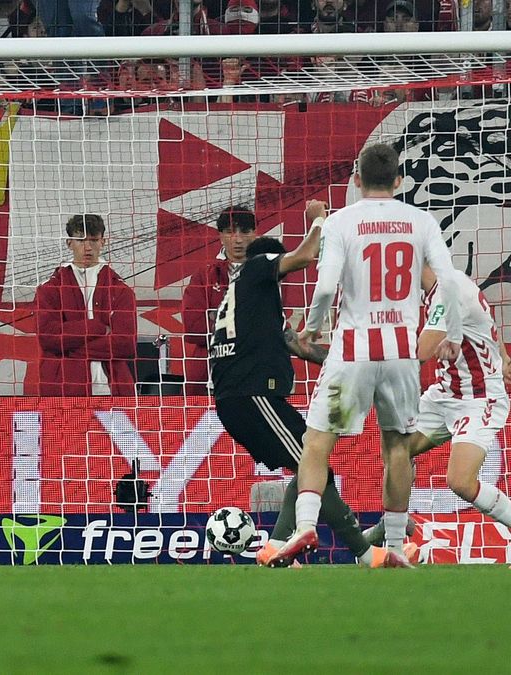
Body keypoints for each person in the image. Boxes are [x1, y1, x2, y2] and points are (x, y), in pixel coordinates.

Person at [270, 143, 464, 567]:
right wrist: (448, 330)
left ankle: (305, 525)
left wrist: (312, 328)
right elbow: (449, 283)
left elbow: (324, 287)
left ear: (355, 180)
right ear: (398, 180)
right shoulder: (421, 220)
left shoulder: (342, 221)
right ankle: (394, 546)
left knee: (318, 442)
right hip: (401, 353)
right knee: (396, 446)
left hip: (353, 351)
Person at [210, 203, 402, 568]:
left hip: (243, 398)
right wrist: (318, 218)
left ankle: (279, 549)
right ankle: (363, 552)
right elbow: (305, 255)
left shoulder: (252, 301)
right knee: (313, 465)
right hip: (252, 396)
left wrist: (361, 359)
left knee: (308, 469)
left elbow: (297, 345)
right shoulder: (254, 270)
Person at [365, 266, 511, 546]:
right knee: (396, 450)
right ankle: (395, 534)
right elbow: (484, 324)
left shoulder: (448, 292)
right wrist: (502, 354)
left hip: (479, 399)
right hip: (445, 393)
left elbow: (419, 353)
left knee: (460, 482)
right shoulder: (444, 284)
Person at [36, 214, 137, 396]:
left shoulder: (121, 290)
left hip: (113, 390)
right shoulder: (50, 289)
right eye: (81, 240)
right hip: (64, 391)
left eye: (93, 240)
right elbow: (48, 337)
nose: (88, 247)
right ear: (69, 243)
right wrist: (96, 328)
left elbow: (126, 344)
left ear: (103, 242)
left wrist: (70, 351)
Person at [181, 206, 257, 395]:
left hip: (257, 371)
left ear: (255, 234)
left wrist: (219, 320)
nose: (238, 239)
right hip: (207, 375)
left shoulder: (271, 271)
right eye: (230, 232)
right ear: (220, 235)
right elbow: (194, 328)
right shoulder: (204, 275)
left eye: (245, 232)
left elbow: (274, 325)